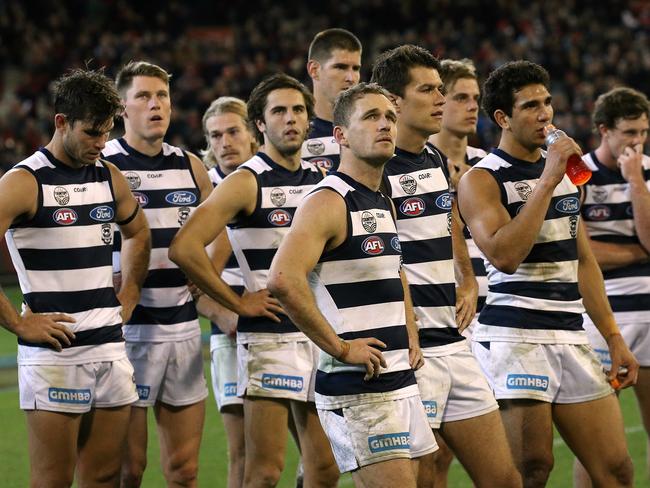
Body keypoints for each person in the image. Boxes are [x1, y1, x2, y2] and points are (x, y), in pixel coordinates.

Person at [457, 60, 639, 487]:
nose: (545, 114)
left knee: (616, 469)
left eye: (547, 103)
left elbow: (584, 261)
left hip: (572, 334)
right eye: (530, 106)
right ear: (502, 118)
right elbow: (504, 255)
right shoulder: (480, 179)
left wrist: (613, 337)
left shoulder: (565, 175)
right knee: (532, 469)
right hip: (515, 337)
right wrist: (547, 177)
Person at [169, 73, 338, 488]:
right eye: (278, 111)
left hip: (319, 335)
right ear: (260, 125)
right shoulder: (246, 180)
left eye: (298, 110)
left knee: (325, 469)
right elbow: (184, 247)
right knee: (262, 472)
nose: (290, 119)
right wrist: (237, 302)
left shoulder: (320, 180)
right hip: (270, 338)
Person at [267, 81, 437, 487]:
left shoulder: (381, 197)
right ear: (340, 135)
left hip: (398, 378)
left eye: (390, 117)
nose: (386, 125)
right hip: (358, 388)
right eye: (371, 117)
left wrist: (410, 330)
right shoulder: (329, 200)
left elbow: (394, 270)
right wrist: (341, 347)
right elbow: (282, 279)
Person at [371, 45, 520, 488]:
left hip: (453, 340)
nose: (440, 98)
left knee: (504, 479)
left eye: (441, 89)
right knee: (426, 478)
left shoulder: (434, 158)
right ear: (394, 102)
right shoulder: (373, 167)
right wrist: (407, 326)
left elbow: (447, 218)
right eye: (428, 90)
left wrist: (467, 277)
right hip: (409, 350)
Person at [0, 68, 150, 486]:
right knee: (53, 480)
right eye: (91, 133)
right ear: (61, 122)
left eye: (107, 133)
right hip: (55, 355)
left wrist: (130, 293)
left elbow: (138, 232)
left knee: (103, 477)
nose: (102, 144)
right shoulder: (24, 181)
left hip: (109, 348)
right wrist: (16, 322)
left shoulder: (107, 175)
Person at [101, 61, 213, 487]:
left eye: (162, 96)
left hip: (183, 332)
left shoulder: (190, 166)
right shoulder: (104, 164)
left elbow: (222, 228)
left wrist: (207, 273)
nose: (155, 105)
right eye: (144, 97)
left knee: (184, 473)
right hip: (127, 335)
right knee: (127, 470)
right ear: (122, 109)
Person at [574, 87, 650, 486]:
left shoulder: (648, 170)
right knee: (596, 442)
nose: (637, 142)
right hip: (599, 315)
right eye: (629, 133)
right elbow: (577, 250)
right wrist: (638, 252)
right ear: (604, 130)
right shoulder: (578, 174)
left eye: (643, 132)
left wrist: (635, 181)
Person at [199, 96, 257, 488]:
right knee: (242, 452)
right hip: (231, 337)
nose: (225, 143)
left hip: (292, 332)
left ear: (253, 133)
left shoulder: (277, 178)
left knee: (314, 451)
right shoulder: (205, 192)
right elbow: (193, 278)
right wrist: (224, 314)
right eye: (215, 136)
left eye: (233, 131)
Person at [429, 59, 488, 319]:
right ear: (439, 100)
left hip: (492, 309)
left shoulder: (487, 164)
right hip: (442, 309)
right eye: (461, 98)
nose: (473, 106)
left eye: (476, 98)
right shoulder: (419, 167)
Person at [301, 28, 362, 172]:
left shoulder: (371, 128)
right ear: (314, 70)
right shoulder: (294, 132)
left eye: (355, 68)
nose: (351, 78)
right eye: (340, 67)